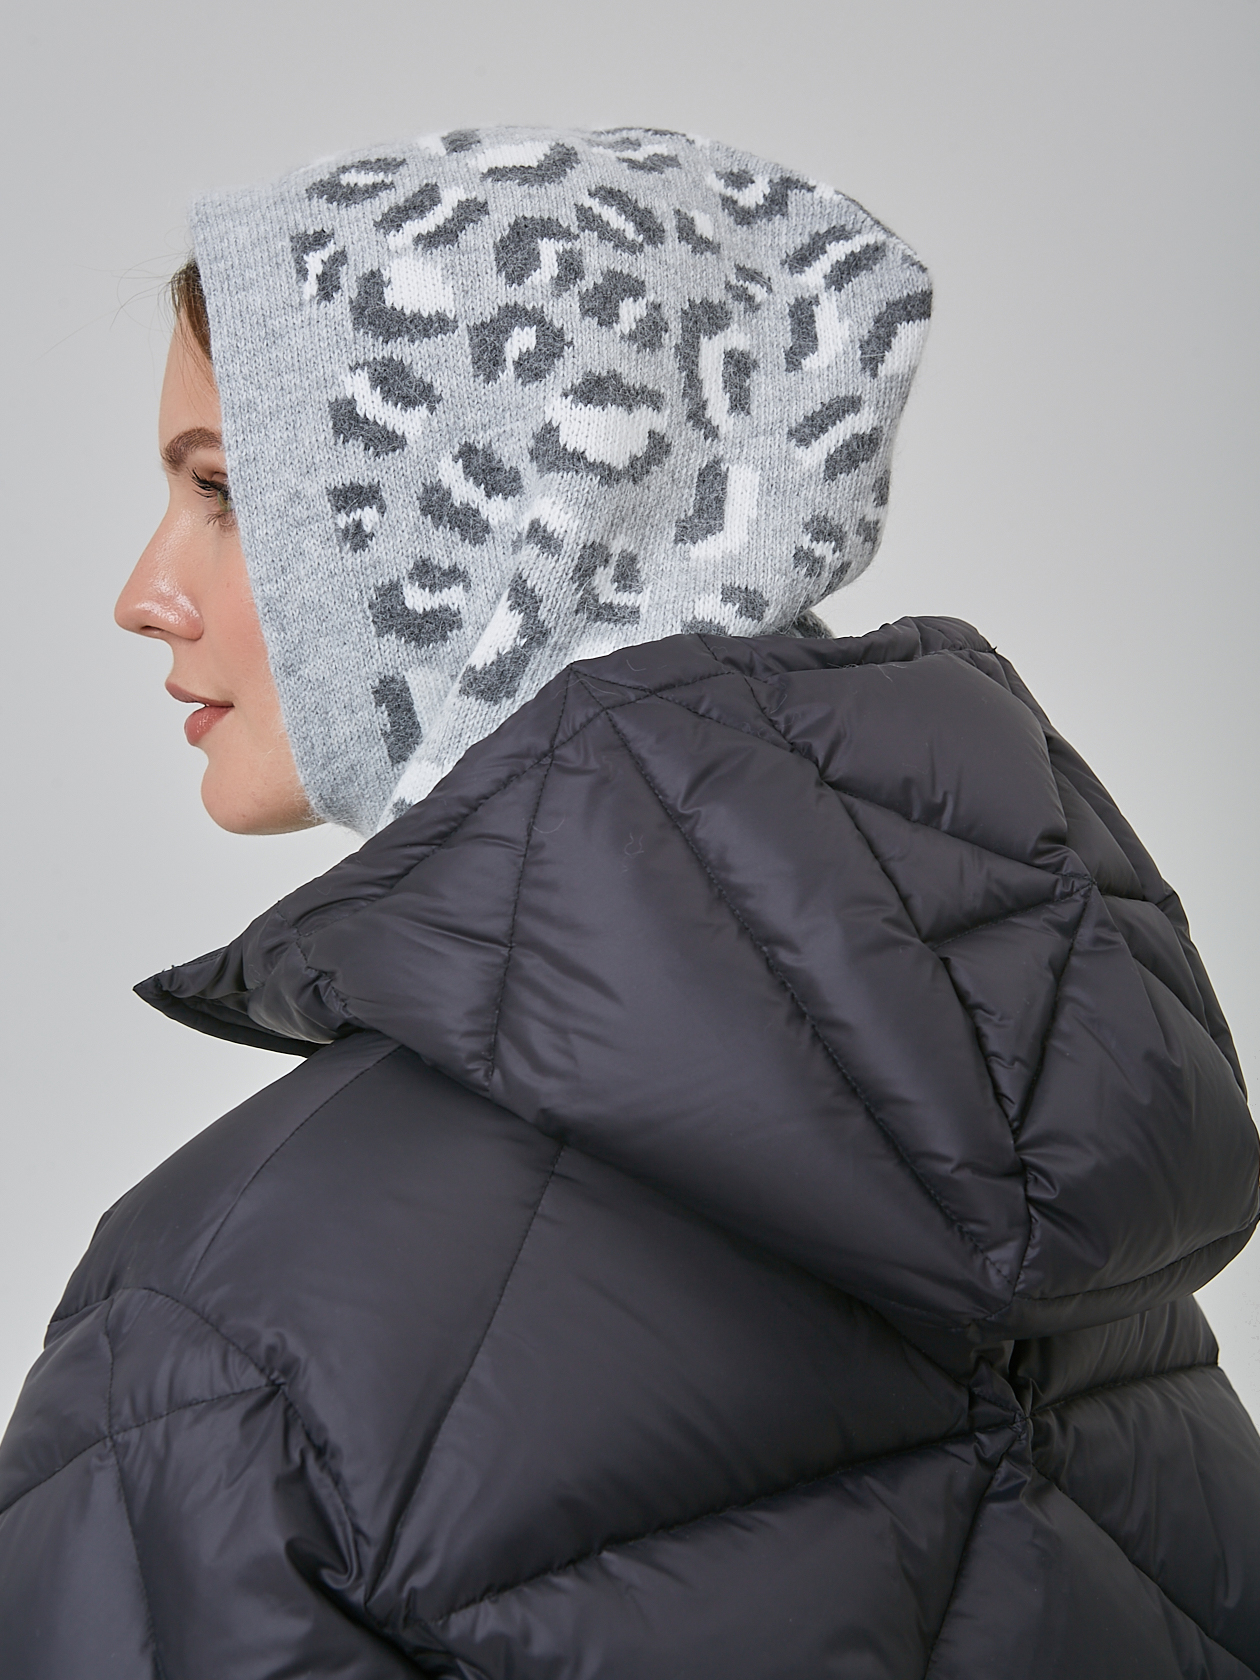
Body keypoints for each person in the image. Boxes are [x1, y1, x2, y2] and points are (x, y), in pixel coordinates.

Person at [0, 125, 1256, 1678]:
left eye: (224, 494)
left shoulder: (225, 1331)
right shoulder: (1071, 1210)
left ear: (496, 529)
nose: (145, 593)